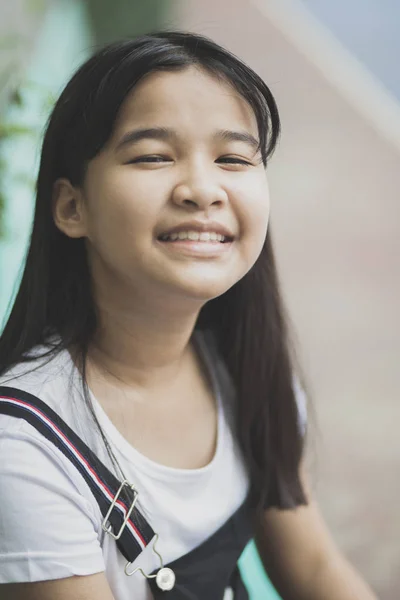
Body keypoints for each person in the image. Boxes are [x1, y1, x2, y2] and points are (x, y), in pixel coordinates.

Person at [0, 31, 376, 600]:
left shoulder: (244, 364)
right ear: (72, 207)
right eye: (152, 156)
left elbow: (315, 565)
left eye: (232, 158)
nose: (203, 189)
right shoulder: (24, 446)